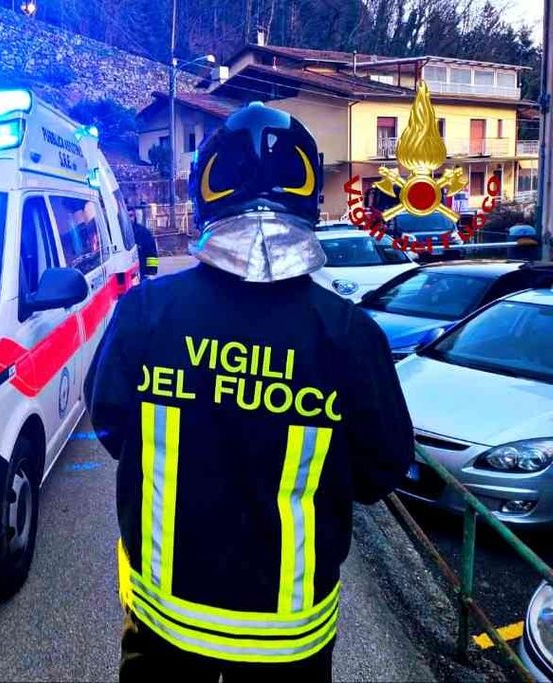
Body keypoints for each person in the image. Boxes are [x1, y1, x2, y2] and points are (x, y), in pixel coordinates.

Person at [85, 102, 414, 682]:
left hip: (167, 618)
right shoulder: (348, 332)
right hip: (290, 633)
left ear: (203, 195)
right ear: (310, 198)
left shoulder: (146, 313)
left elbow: (110, 423)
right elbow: (381, 470)